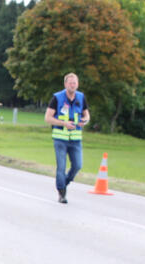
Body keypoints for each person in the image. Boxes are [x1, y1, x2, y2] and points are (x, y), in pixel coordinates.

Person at [45, 73, 90, 203]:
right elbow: (47, 118)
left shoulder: (81, 97)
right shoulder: (57, 98)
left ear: (78, 84)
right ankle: (62, 193)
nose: (72, 85)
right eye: (70, 83)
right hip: (60, 139)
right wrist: (64, 123)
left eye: (75, 83)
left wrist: (84, 121)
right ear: (65, 84)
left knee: (77, 165)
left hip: (75, 139)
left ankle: (65, 181)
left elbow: (87, 115)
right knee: (61, 167)